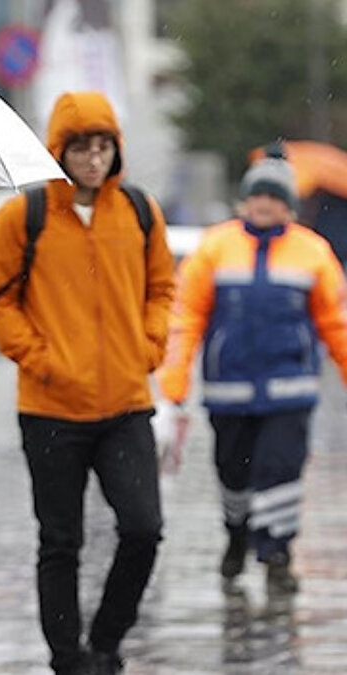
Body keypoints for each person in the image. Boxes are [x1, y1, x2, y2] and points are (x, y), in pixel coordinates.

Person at [0, 91, 175, 675]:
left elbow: (162, 289)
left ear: (117, 150)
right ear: (58, 151)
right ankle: (67, 660)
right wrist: (42, 360)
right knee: (61, 541)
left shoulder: (139, 210)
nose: (93, 158)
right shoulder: (24, 216)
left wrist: (149, 346)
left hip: (126, 406)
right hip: (51, 410)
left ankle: (106, 645)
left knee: (143, 528)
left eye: (103, 146)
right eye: (81, 147)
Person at [157, 145, 347, 595]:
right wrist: (174, 382)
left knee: (281, 471)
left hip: (290, 391)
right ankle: (237, 534)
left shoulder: (312, 252)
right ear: (244, 201)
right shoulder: (215, 248)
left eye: (275, 197)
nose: (265, 204)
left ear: (289, 206)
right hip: (229, 392)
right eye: (258, 195)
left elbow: (336, 321)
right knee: (233, 474)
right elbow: (186, 317)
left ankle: (277, 553)